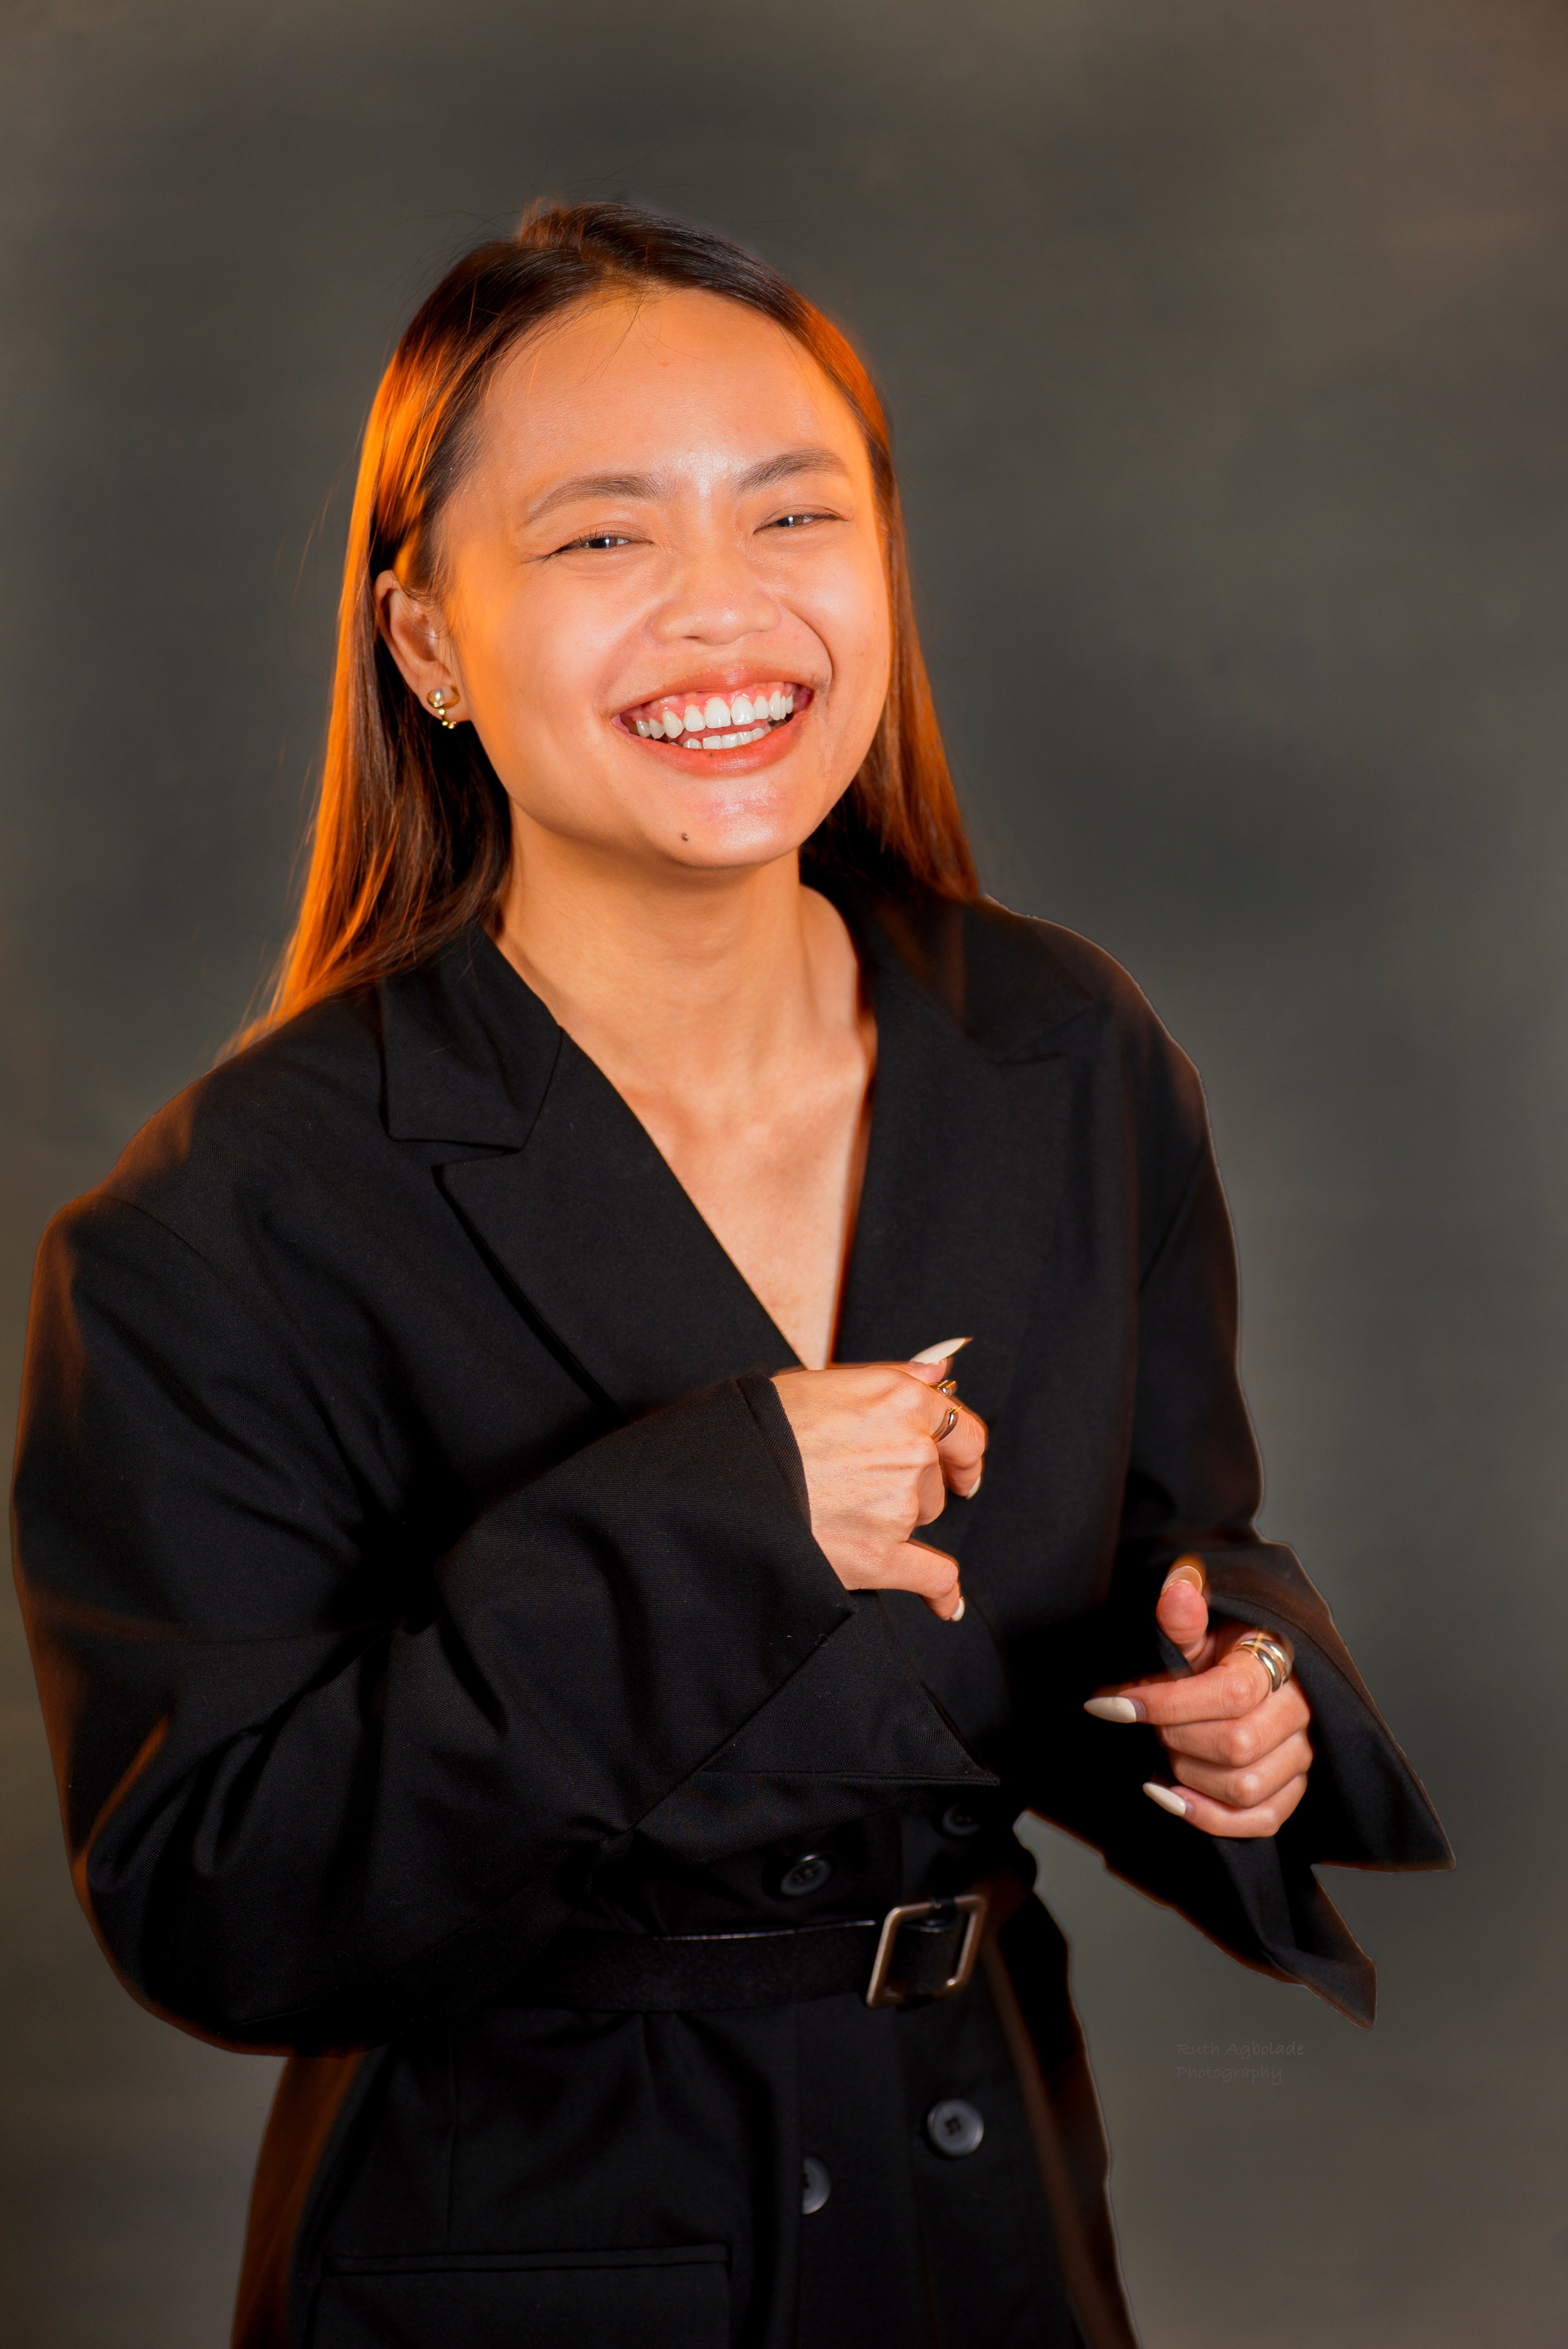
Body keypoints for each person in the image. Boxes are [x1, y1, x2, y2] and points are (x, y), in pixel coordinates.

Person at [11, 203, 1450, 2349]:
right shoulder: (225, 1224)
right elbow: (217, 1897)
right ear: (425, 639)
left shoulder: (1061, 1055)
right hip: (527, 2251)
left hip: (985, 2213)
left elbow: (1168, 1545)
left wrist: (1237, 1689)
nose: (724, 606)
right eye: (605, 536)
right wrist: (718, 1523)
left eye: (794, 514)